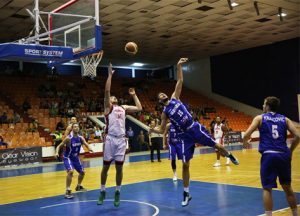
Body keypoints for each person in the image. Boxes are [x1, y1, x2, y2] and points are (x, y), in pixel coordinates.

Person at [149, 57, 239, 207]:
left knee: (216, 146)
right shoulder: (164, 113)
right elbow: (162, 129)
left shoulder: (175, 98)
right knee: (185, 165)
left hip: (194, 128)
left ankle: (229, 155)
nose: (163, 95)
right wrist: (154, 129)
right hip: (184, 136)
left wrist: (178, 66)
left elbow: (180, 81)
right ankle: (186, 193)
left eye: (163, 94)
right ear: (159, 101)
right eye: (160, 96)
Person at [243, 96, 300, 216]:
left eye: (264, 104)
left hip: (269, 155)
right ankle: (295, 214)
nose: (263, 106)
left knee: (267, 188)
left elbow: (246, 134)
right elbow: (298, 136)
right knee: (287, 187)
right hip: (283, 155)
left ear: (268, 106)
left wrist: (245, 142)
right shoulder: (285, 119)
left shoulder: (260, 118)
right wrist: (290, 150)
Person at [97, 63, 142, 207]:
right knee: (105, 167)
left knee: (119, 168)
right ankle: (103, 190)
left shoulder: (123, 107)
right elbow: (107, 91)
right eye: (112, 97)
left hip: (121, 141)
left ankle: (117, 191)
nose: (113, 97)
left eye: (114, 97)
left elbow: (139, 108)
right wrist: (110, 75)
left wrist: (134, 95)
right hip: (110, 139)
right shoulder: (107, 107)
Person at [55, 123, 93, 199]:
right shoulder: (68, 138)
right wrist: (56, 152)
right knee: (71, 171)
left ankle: (78, 186)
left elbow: (86, 143)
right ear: (72, 129)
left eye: (77, 126)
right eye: (75, 127)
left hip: (75, 158)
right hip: (68, 157)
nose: (76, 128)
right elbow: (59, 146)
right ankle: (67, 190)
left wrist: (89, 148)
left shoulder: (80, 138)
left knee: (82, 172)